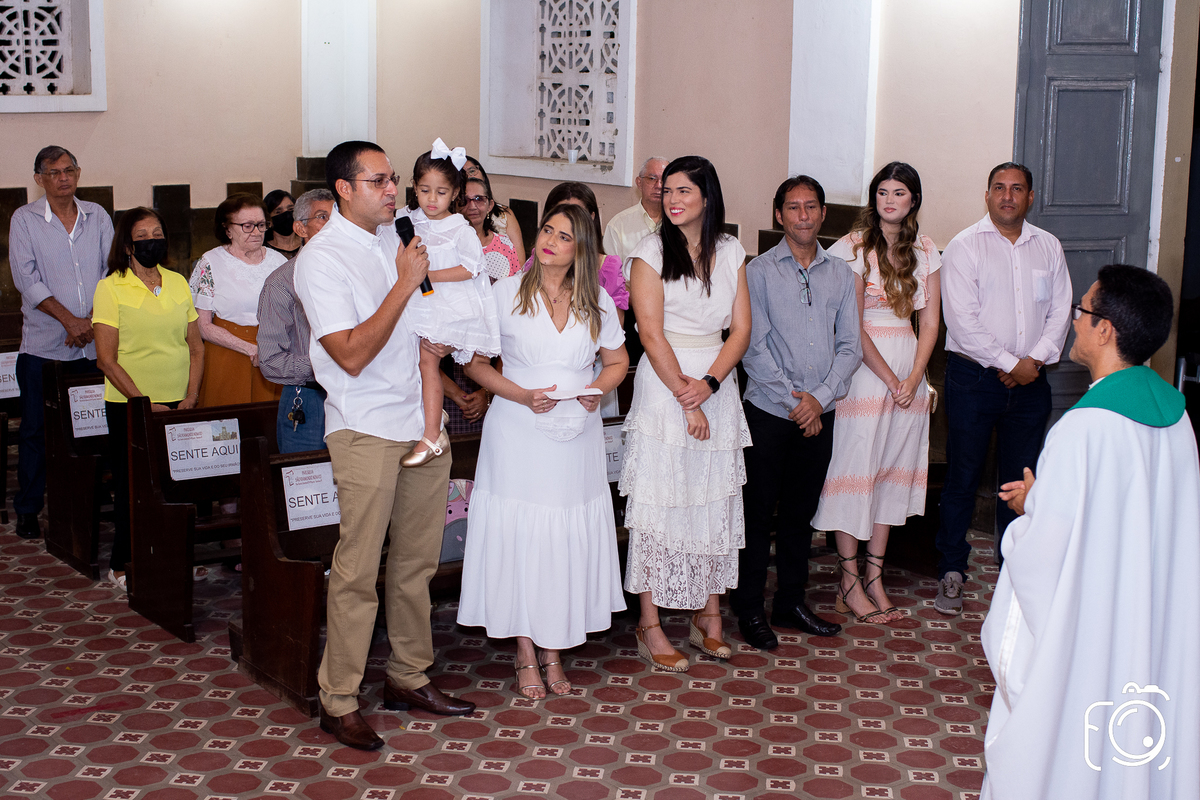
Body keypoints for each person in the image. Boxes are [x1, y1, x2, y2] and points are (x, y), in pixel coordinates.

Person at [980, 265, 1199, 799]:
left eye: (1082, 311)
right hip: (1152, 621)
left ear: (1106, 329)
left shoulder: (1082, 428)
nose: (1073, 322)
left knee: (1071, 750)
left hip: (1092, 631)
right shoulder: (1177, 418)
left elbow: (1044, 561)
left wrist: (1031, 510)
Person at [294, 140, 474, 751]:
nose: (393, 190)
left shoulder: (395, 237)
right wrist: (405, 285)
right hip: (364, 425)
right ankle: (338, 698)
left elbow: (420, 323)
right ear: (343, 189)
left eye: (394, 179)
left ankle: (408, 676)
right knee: (357, 569)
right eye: (378, 181)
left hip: (419, 423)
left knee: (417, 563)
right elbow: (349, 351)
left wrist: (444, 347)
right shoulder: (320, 261)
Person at [458, 203, 629, 698]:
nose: (550, 240)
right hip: (517, 429)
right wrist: (518, 394)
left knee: (561, 537)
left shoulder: (595, 299)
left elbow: (617, 360)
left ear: (581, 249)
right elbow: (473, 362)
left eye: (564, 236)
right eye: (547, 231)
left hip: (577, 433)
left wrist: (599, 386)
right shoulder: (505, 292)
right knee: (524, 535)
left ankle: (555, 651)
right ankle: (526, 652)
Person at [620, 156, 752, 672]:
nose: (671, 200)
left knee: (711, 497)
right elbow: (649, 334)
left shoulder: (732, 250)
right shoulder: (649, 252)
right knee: (661, 500)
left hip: (715, 378)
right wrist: (685, 394)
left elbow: (740, 329)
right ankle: (649, 624)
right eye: (666, 191)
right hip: (665, 382)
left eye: (683, 192)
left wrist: (710, 384)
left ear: (706, 197)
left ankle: (708, 616)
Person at [934, 162, 1071, 615]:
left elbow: (1060, 311)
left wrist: (1031, 363)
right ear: (987, 194)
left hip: (1031, 385)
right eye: (999, 188)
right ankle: (952, 572)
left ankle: (1016, 573)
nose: (1007, 196)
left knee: (1021, 481)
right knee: (963, 477)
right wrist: (1015, 364)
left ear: (1031, 197)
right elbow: (962, 322)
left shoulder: (1048, 247)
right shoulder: (964, 246)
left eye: (1017, 189)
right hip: (974, 380)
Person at [733, 175, 861, 651]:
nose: (803, 215)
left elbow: (850, 347)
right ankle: (748, 608)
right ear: (778, 216)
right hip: (769, 411)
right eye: (793, 207)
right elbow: (753, 346)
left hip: (819, 414)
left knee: (801, 514)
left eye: (811, 207)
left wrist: (819, 399)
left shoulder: (842, 275)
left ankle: (789, 602)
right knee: (758, 512)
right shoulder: (758, 273)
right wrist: (795, 401)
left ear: (824, 214)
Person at [811, 163, 941, 624]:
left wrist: (915, 378)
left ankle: (875, 577)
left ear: (913, 200)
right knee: (856, 469)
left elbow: (930, 322)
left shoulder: (926, 250)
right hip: (866, 373)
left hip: (910, 371)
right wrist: (890, 379)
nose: (890, 200)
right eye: (882, 191)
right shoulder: (852, 247)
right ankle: (847, 581)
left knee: (891, 473)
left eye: (899, 192)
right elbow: (852, 325)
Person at [93, 208, 204, 591]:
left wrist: (191, 396)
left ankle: (172, 556)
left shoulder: (177, 282)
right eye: (143, 235)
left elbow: (196, 347)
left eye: (158, 232)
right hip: (130, 405)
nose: (152, 239)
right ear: (127, 245)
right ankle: (122, 564)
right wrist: (143, 403)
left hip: (179, 404)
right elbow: (106, 359)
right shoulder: (110, 287)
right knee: (133, 486)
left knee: (174, 486)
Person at [7, 145, 111, 540]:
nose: (63, 177)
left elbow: (110, 271)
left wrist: (89, 324)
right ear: (39, 179)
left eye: (69, 170)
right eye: (54, 172)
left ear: (78, 174)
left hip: (93, 344)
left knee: (92, 430)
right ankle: (30, 509)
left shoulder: (96, 216)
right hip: (44, 348)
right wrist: (70, 320)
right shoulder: (25, 219)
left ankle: (91, 501)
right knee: (36, 430)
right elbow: (26, 278)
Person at [398, 140, 501, 467]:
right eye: (425, 190)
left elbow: (470, 268)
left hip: (450, 307)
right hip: (417, 303)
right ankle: (430, 417)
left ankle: (430, 434)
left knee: (427, 361)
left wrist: (426, 274)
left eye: (441, 192)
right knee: (410, 358)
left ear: (455, 192)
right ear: (414, 187)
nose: (431, 199)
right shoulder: (407, 219)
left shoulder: (459, 228)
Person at [189, 193, 287, 407]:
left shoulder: (278, 261)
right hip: (228, 354)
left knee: (271, 425)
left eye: (261, 225)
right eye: (247, 225)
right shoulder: (211, 262)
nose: (257, 232)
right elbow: (202, 325)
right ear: (227, 229)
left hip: (273, 356)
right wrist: (250, 348)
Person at [257, 189, 334, 453]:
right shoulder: (281, 284)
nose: (333, 224)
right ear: (300, 227)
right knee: (310, 485)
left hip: (361, 394)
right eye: (323, 217)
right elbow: (270, 361)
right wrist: (326, 363)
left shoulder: (359, 273)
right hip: (308, 396)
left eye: (339, 217)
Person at [604, 156, 668, 279]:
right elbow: (610, 278)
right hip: (630, 296)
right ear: (639, 183)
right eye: (652, 178)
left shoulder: (679, 223)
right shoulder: (618, 225)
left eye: (664, 180)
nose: (659, 185)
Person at [463, 155, 526, 266]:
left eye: (472, 171)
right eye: (461, 174)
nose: (468, 176)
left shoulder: (505, 215)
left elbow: (519, 263)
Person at [462, 174, 521, 281]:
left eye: (479, 199)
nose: (472, 206)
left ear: (490, 205)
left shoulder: (505, 245)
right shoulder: (449, 245)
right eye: (464, 200)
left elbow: (516, 285)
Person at [264, 190, 303, 259]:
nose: (287, 215)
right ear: (268, 218)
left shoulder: (307, 242)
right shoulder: (263, 250)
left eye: (291, 209)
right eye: (278, 212)